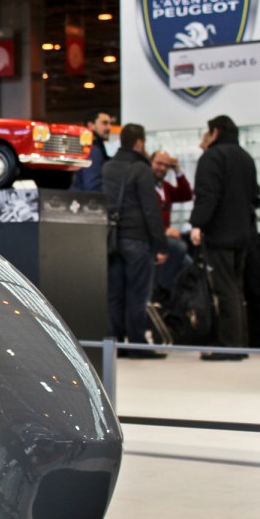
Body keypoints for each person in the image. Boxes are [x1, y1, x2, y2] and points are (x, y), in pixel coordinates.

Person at [189, 115, 260, 359]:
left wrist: (197, 224)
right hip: (244, 234)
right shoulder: (246, 157)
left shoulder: (212, 157)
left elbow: (207, 195)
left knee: (225, 290)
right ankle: (239, 344)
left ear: (215, 132)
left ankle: (229, 346)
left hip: (220, 234)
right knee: (237, 290)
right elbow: (255, 197)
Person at [103, 123, 168, 356]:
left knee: (115, 294)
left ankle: (115, 344)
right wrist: (160, 243)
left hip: (111, 238)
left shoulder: (107, 167)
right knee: (137, 294)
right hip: (138, 239)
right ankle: (138, 344)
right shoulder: (141, 169)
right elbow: (151, 210)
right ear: (139, 143)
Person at [150, 150, 193, 299]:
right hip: (153, 237)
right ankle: (161, 291)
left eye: (166, 165)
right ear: (150, 162)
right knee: (179, 248)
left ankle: (173, 307)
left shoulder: (165, 187)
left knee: (188, 265)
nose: (162, 168)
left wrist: (178, 171)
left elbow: (186, 194)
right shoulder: (146, 187)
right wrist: (165, 231)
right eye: (159, 163)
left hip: (164, 239)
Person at [71, 110, 112, 191]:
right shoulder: (92, 149)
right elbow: (92, 185)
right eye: (104, 123)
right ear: (91, 125)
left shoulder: (89, 147)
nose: (109, 127)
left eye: (110, 123)